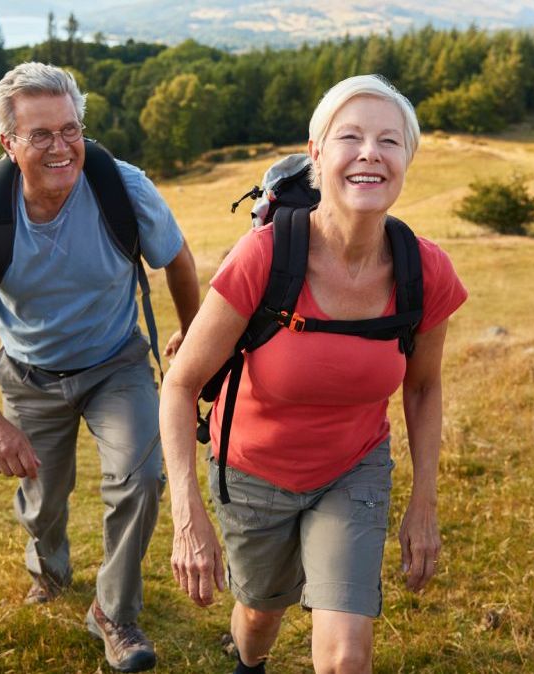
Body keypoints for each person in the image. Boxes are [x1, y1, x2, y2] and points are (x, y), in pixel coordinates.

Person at [158, 74, 467, 674]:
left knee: (348, 656)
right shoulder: (267, 256)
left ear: (407, 161)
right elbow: (180, 383)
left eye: (390, 141)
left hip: (353, 469)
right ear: (317, 155)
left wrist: (424, 502)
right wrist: (186, 513)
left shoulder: (424, 270)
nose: (370, 153)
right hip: (251, 471)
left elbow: (423, 386)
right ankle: (250, 662)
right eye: (349, 137)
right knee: (257, 620)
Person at [0, 62, 199, 673]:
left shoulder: (122, 187)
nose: (62, 147)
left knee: (141, 478)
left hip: (117, 364)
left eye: (70, 129)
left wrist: (192, 336)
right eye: (41, 135)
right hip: (29, 375)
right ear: (8, 142)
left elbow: (178, 260)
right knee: (43, 501)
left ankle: (114, 613)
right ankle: (49, 567)